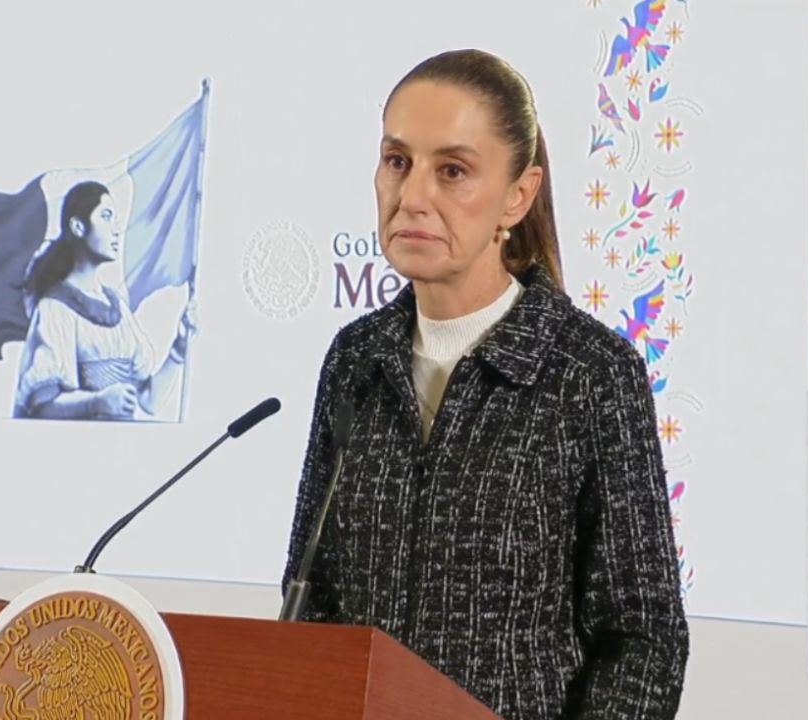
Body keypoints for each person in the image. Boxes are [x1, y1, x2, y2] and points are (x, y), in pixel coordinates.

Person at [283, 50, 689, 718]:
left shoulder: (589, 373)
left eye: (452, 171)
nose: (413, 196)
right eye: (397, 162)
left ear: (518, 195)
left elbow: (643, 637)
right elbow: (313, 594)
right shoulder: (356, 359)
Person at [13, 181, 194, 420]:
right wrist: (96, 402)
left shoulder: (116, 304)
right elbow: (43, 405)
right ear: (78, 227)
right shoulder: (55, 307)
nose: (117, 229)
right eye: (106, 216)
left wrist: (178, 349)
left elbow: (149, 401)